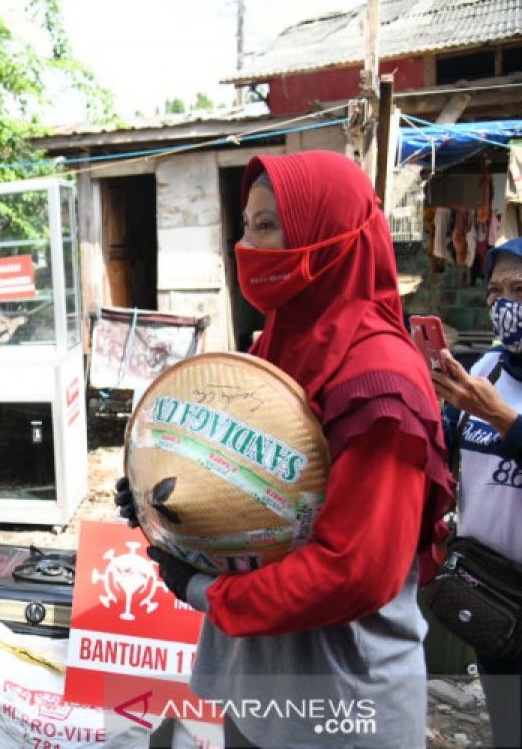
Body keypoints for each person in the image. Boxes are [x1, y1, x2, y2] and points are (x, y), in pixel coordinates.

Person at [118, 151, 454, 746]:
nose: (249, 245)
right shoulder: (276, 347)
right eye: (245, 226)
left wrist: (200, 589)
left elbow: (355, 572)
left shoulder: (381, 384)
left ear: (328, 235)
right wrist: (169, 506)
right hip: (257, 688)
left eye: (269, 226)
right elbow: (258, 505)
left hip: (341, 706)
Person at [430, 237, 522, 748]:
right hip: (491, 592)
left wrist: (503, 420)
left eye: (519, 288)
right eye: (495, 291)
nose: (504, 303)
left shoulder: (486, 397)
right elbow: (442, 457)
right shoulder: (482, 373)